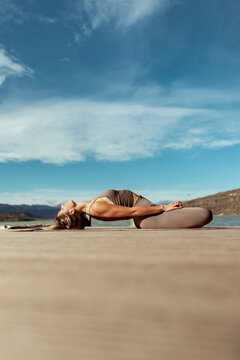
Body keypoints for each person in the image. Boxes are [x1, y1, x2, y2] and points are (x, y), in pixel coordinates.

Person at [53, 189, 213, 230]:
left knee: (204, 215)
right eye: (61, 209)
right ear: (71, 211)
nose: (61, 205)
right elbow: (133, 212)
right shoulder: (95, 208)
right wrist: (164, 206)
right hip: (147, 218)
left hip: (146, 213)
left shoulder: (91, 204)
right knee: (205, 214)